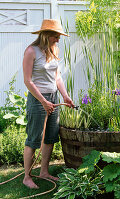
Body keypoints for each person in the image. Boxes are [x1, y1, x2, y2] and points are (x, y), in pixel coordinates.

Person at [22, 19, 74, 189]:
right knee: (34, 138)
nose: (58, 40)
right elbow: (28, 81)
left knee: (50, 136)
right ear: (46, 35)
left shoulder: (54, 50)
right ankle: (27, 177)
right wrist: (43, 101)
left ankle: (44, 171)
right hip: (38, 100)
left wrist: (65, 96)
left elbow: (57, 77)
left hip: (53, 97)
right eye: (56, 36)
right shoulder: (31, 51)